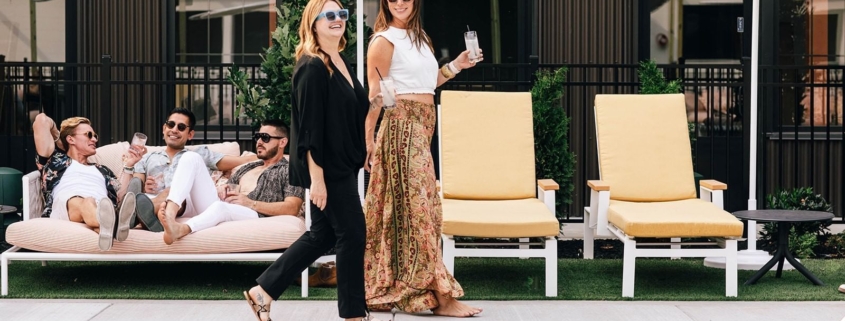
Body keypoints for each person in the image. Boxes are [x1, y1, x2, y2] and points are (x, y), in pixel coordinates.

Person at [242, 1, 378, 320]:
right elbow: (308, 129)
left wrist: (375, 105)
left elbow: (347, 113)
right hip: (327, 168)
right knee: (353, 233)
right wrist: (317, 180)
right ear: (313, 23)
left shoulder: (338, 60)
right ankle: (354, 314)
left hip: (342, 164)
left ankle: (263, 291)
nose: (337, 19)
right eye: (328, 15)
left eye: (341, 14)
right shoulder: (312, 66)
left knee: (322, 235)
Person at [363, 0, 484, 317]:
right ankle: (443, 297)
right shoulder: (383, 41)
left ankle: (412, 285)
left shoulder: (421, 38)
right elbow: (376, 95)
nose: (399, 3)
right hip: (401, 126)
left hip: (422, 126)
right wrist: (369, 139)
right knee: (420, 211)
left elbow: (428, 84)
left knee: (419, 209)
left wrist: (456, 65)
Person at [156, 120, 304, 244]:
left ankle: (182, 229)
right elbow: (231, 188)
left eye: (265, 138)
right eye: (258, 137)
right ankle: (170, 216)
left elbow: (292, 208)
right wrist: (222, 189)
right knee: (191, 157)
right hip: (227, 206)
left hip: (255, 213)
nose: (259, 142)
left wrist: (250, 203)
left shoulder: (290, 170)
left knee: (221, 208)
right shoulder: (248, 167)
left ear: (282, 142)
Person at [131, 107, 257, 231]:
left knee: (169, 191)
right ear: (164, 128)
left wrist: (265, 155)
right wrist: (143, 185)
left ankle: (135, 216)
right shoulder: (146, 157)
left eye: (181, 127)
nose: (174, 130)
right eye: (171, 125)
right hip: (152, 197)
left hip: (188, 202)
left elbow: (242, 160)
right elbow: (135, 186)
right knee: (141, 197)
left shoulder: (199, 155)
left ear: (190, 134)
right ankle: (147, 216)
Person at [32, 113, 145, 251]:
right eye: (89, 135)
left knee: (96, 204)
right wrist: (60, 141)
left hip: (102, 207)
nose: (94, 139)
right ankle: (116, 225)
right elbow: (41, 120)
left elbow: (121, 196)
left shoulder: (103, 170)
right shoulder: (55, 161)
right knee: (87, 202)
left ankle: (105, 228)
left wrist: (129, 165)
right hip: (68, 205)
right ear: (71, 139)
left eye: (95, 136)